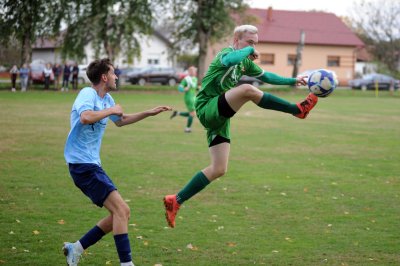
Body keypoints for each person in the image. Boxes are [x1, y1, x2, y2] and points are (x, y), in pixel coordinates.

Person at [163, 25, 318, 228]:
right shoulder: (226, 54)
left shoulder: (245, 62)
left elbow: (267, 76)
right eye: (249, 42)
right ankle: (296, 110)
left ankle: (176, 200)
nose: (253, 47)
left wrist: (293, 80)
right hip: (206, 107)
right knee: (247, 89)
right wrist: (248, 51)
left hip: (220, 116)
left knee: (219, 168)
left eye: (255, 43)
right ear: (236, 41)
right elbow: (230, 60)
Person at [63, 58, 171, 266]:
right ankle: (126, 264)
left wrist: (148, 112)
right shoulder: (88, 94)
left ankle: (75, 248)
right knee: (122, 211)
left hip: (92, 164)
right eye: (113, 73)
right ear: (104, 77)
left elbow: (120, 121)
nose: (116, 77)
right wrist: (111, 111)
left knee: (119, 214)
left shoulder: (107, 99)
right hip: (82, 165)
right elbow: (85, 117)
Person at [170, 66, 198, 133]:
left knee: (192, 114)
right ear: (189, 72)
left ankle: (177, 113)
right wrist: (184, 89)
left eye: (194, 71)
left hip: (193, 97)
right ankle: (187, 129)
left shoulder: (195, 79)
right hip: (188, 98)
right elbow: (179, 88)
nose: (194, 72)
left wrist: (199, 88)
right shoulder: (186, 79)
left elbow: (194, 88)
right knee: (192, 113)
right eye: (192, 71)